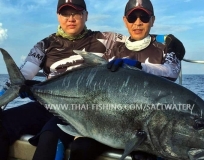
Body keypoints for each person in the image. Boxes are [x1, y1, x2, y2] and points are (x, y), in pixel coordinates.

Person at [0, 0, 184, 160]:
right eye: (65, 13)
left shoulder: (106, 39)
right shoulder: (44, 44)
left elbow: (136, 38)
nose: (71, 18)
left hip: (79, 108)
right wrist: (12, 93)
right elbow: (25, 74)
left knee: (50, 136)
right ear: (58, 16)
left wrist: (166, 38)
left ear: (86, 15)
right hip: (48, 99)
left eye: (76, 13)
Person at [68, 0, 185, 160]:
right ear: (125, 21)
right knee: (80, 148)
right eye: (132, 18)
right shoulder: (114, 49)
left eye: (143, 17)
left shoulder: (164, 48)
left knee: (143, 157)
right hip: (110, 122)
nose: (137, 23)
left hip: (147, 129)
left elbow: (171, 72)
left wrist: (139, 66)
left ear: (152, 20)